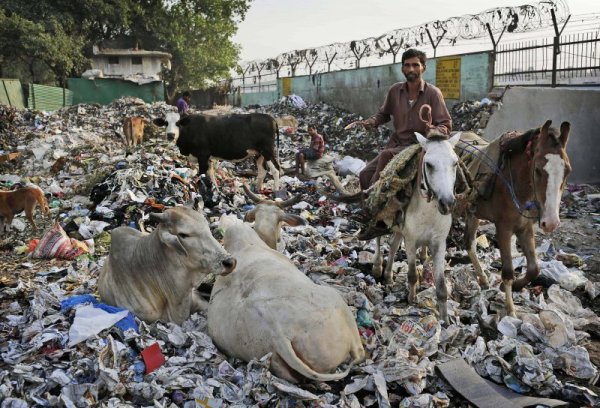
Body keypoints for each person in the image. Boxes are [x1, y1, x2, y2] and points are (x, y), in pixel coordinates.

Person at [347, 48, 452, 239]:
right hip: (397, 144)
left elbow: (446, 125)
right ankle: (378, 219)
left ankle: (373, 206)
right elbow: (383, 114)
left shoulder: (433, 94)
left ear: (423, 68)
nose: (411, 68)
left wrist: (434, 131)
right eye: (407, 65)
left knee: (386, 157)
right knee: (364, 174)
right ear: (402, 68)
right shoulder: (395, 91)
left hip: (419, 147)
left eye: (415, 65)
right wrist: (368, 123)